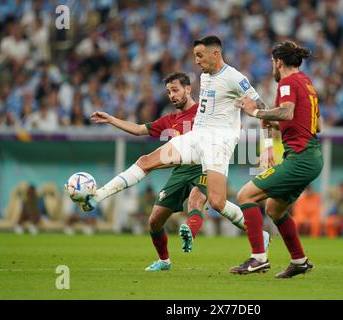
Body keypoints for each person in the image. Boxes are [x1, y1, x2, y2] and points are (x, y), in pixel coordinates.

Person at [87, 70, 269, 270]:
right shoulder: (169, 120)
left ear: (188, 89)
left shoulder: (205, 110)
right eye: (168, 92)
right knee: (155, 221)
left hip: (205, 166)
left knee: (197, 200)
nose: (172, 95)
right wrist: (112, 119)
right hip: (181, 170)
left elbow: (231, 118)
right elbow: (139, 129)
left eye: (175, 90)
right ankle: (164, 261)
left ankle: (190, 232)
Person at [230, 40, 323, 278]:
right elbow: (316, 125)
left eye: (272, 62)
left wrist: (256, 112)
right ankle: (299, 261)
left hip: (300, 158)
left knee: (245, 195)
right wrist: (275, 122)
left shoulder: (288, 82)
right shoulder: (307, 83)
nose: (272, 66)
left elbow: (288, 112)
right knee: (274, 208)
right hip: (311, 156)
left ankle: (258, 258)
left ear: (278, 62)